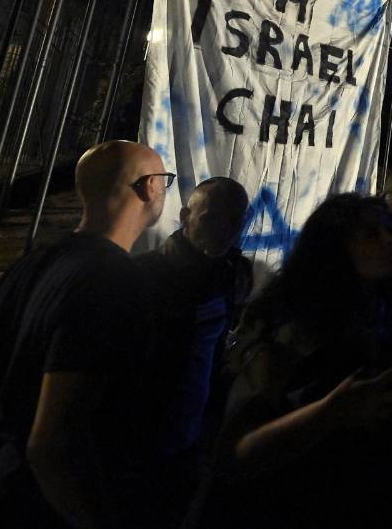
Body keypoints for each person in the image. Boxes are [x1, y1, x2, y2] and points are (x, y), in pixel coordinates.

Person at [206, 194, 392, 529]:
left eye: (391, 230)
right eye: (371, 234)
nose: (391, 240)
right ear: (333, 249)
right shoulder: (289, 326)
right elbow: (238, 450)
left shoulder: (387, 315)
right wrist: (330, 413)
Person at [0, 140, 169, 528]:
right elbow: (54, 441)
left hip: (5, 485)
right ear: (150, 186)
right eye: (165, 180)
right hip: (45, 508)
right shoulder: (113, 279)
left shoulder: (29, 264)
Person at [136, 176, 252, 526]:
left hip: (193, 438)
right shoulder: (144, 276)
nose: (223, 230)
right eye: (211, 218)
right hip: (142, 440)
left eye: (234, 220)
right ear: (186, 216)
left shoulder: (231, 272)